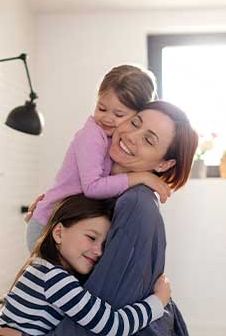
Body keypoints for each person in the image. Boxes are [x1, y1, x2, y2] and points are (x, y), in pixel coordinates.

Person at [0, 101, 201, 336]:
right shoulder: (114, 192)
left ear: (163, 164)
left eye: (149, 139)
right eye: (136, 122)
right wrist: (51, 206)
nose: (131, 136)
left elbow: (109, 311)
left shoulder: (136, 204)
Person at [0, 194, 172, 336]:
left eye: (105, 245)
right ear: (58, 233)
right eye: (91, 237)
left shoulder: (41, 268)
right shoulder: (55, 280)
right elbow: (115, 326)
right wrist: (158, 301)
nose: (99, 251)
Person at [25, 65, 172, 252]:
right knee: (54, 281)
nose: (107, 119)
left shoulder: (114, 141)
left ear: (137, 116)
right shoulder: (92, 136)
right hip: (48, 226)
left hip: (68, 226)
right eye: (101, 108)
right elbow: (92, 187)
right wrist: (142, 177)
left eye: (119, 114)